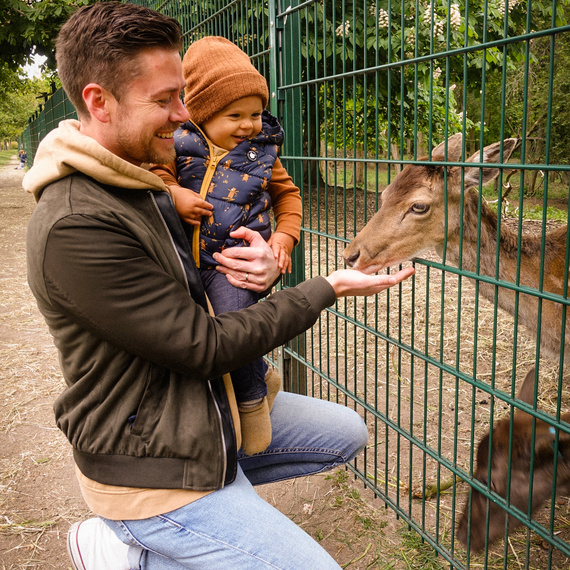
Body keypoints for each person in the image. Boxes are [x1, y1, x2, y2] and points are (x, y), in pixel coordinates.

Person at [24, 3, 415, 569]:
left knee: (346, 432)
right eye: (164, 100)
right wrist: (326, 287)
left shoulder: (136, 172)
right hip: (145, 456)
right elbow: (203, 346)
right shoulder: (78, 223)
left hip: (203, 408)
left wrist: (267, 260)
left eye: (182, 95)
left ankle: (214, 523)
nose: (185, 116)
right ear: (97, 101)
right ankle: (129, 548)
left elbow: (222, 248)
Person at [151, 36, 303, 456]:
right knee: (200, 334)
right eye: (235, 115)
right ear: (202, 113)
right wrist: (174, 193)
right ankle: (263, 375)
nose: (249, 125)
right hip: (187, 261)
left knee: (233, 323)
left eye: (256, 113)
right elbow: (155, 173)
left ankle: (252, 402)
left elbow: (288, 196)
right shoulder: (178, 144)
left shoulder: (262, 154)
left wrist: (284, 237)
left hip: (234, 261)